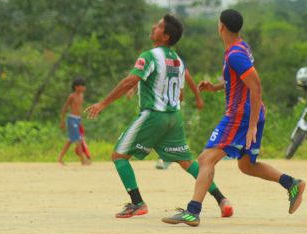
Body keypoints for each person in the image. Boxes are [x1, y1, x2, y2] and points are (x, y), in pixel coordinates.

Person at [162, 9, 305, 227]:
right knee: (247, 166)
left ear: (221, 26)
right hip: (248, 114)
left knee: (205, 159)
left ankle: (192, 211)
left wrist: (251, 125)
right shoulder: (240, 47)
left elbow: (256, 86)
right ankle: (291, 184)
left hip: (240, 116)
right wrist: (216, 87)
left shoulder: (235, 55)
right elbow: (239, 79)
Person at [85, 14, 232, 218]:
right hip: (174, 117)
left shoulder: (150, 55)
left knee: (119, 156)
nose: (154, 27)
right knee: (187, 163)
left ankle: (137, 203)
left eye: (159, 26)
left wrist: (103, 103)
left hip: (154, 115)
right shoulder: (178, 61)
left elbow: (129, 81)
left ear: (165, 36)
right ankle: (222, 199)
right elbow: (179, 93)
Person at [155, 68, 204, 170]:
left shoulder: (176, 64)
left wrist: (198, 97)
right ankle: (168, 157)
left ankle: (167, 157)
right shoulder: (160, 63)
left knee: (169, 130)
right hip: (163, 103)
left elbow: (188, 78)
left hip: (172, 104)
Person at [58, 78, 90, 165]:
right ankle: (83, 160)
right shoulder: (72, 96)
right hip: (71, 119)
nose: (84, 88)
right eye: (82, 86)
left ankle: (60, 157)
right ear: (76, 87)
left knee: (70, 140)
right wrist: (62, 121)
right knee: (77, 140)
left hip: (78, 119)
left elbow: (79, 108)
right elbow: (65, 108)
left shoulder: (82, 95)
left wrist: (81, 121)